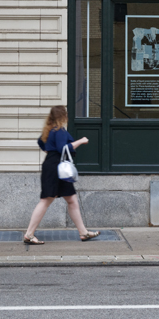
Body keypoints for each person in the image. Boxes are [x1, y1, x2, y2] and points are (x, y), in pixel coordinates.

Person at [23, 105, 100, 245]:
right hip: (56, 168)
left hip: (54, 165)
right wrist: (81, 141)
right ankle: (29, 234)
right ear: (64, 117)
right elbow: (63, 148)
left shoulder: (49, 131)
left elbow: (40, 142)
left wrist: (50, 152)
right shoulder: (59, 131)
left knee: (71, 200)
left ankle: (83, 232)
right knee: (46, 200)